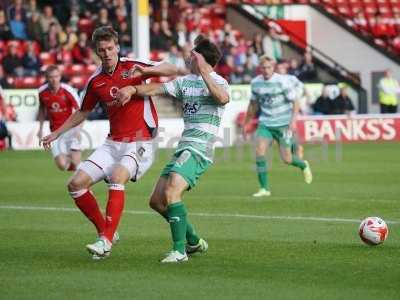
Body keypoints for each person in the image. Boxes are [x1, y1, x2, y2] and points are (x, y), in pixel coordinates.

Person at [41, 26, 178, 260]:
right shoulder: (95, 81)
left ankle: (105, 241)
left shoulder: (132, 65)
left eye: (110, 48)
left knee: (116, 177)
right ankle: (106, 232)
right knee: (76, 184)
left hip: (140, 141)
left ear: (117, 47)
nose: (106, 53)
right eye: (101, 50)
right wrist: (57, 133)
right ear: (97, 51)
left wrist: (141, 78)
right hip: (112, 142)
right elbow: (82, 112)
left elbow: (172, 68)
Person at [115, 35, 230, 263]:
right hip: (184, 146)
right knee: (157, 201)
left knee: (172, 192)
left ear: (200, 58)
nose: (188, 58)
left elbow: (223, 98)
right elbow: (157, 89)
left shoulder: (218, 81)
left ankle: (179, 251)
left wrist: (204, 72)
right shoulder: (185, 82)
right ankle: (194, 241)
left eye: (192, 55)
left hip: (200, 148)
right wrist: (132, 90)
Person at [243, 56, 312, 197]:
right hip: (265, 124)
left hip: (283, 125)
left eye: (269, 67)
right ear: (260, 68)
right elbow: (253, 104)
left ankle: (303, 165)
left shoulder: (282, 81)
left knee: (286, 159)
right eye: (264, 68)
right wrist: (246, 123)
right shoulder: (255, 83)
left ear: (273, 67)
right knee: (259, 151)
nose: (266, 70)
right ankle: (264, 189)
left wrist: (293, 121)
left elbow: (295, 101)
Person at [38, 65, 81, 171]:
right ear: (46, 78)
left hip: (71, 130)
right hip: (54, 132)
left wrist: (78, 130)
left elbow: (80, 111)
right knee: (62, 165)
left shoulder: (68, 90)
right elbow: (42, 109)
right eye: (50, 77)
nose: (53, 79)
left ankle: (82, 173)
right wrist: (40, 128)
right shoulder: (42, 92)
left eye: (56, 76)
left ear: (60, 77)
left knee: (76, 164)